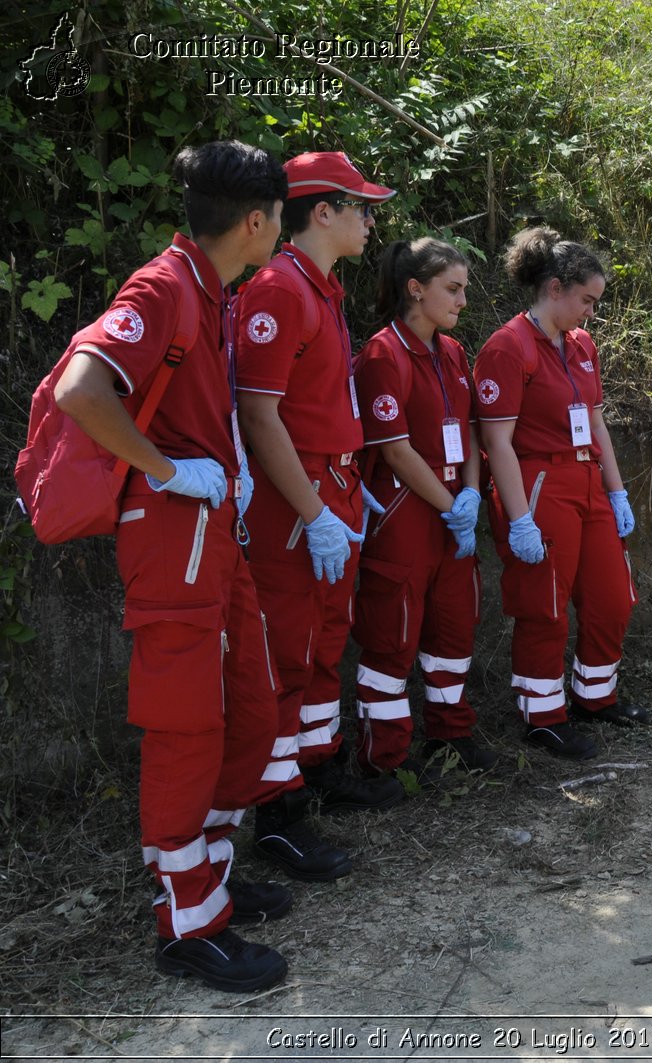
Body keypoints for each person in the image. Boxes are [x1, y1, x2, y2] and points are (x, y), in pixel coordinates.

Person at [51, 140, 289, 991]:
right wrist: (162, 466)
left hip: (213, 531)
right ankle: (186, 923)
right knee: (187, 725)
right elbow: (84, 388)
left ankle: (212, 877)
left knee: (250, 709)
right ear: (255, 222)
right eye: (279, 220)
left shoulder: (214, 289)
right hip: (174, 532)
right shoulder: (163, 287)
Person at [233, 152, 403, 881]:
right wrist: (316, 507)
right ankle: (276, 813)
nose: (371, 219)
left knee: (323, 643)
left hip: (328, 491)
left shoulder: (321, 287)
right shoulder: (278, 289)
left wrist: (343, 486)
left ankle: (312, 766)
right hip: (294, 504)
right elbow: (257, 413)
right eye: (360, 206)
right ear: (321, 213)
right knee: (286, 653)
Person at [476, 227, 647, 761]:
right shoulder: (508, 348)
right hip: (538, 484)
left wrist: (616, 491)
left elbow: (595, 420)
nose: (591, 313)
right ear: (555, 288)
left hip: (587, 482)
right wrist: (520, 516)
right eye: (587, 300)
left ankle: (595, 697)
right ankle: (541, 714)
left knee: (612, 597)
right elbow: (496, 441)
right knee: (545, 606)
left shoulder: (580, 345)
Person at [350, 238, 495, 779]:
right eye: (451, 289)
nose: (462, 301)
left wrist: (472, 495)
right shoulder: (383, 354)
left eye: (463, 289)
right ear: (416, 289)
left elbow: (474, 430)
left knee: (453, 631)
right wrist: (451, 505)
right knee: (393, 635)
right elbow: (394, 447)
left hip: (454, 505)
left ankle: (450, 733)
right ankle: (383, 758)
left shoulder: (452, 353)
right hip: (407, 512)